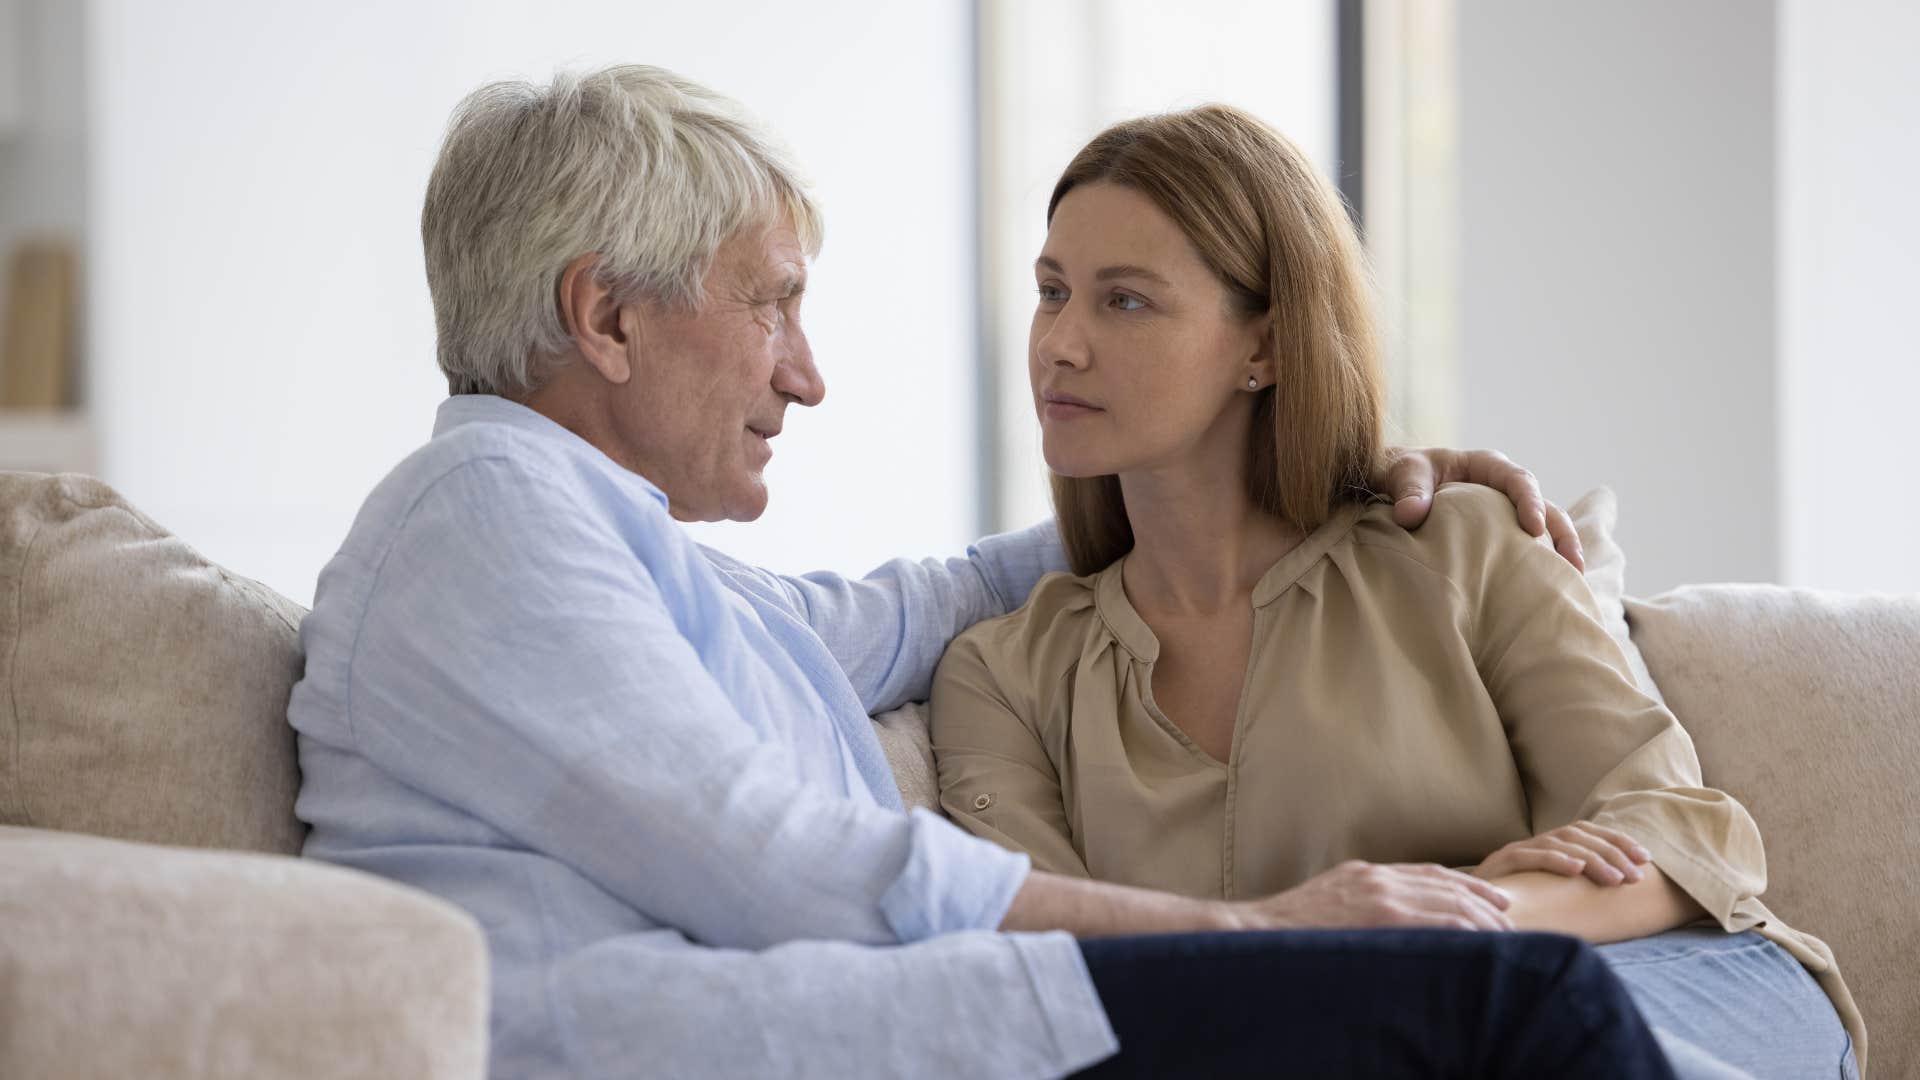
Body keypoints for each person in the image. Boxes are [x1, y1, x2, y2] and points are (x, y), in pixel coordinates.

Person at [290, 65, 1674, 1078]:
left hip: (891, 1036)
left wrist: (1305, 475)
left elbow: (934, 597)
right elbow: (777, 866)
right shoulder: (481, 517)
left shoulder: (624, 559)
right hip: (762, 1049)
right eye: (773, 305)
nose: (806, 377)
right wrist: (1255, 927)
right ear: (605, 316)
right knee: (1512, 1006)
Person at [928, 104, 1864, 1080]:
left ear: (1265, 348)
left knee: (1489, 1016)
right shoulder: (1004, 676)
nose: (1059, 343)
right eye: (1051, 291)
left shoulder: (1461, 547)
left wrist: (1447, 933)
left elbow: (1684, 837)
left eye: (1124, 301)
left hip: (1680, 982)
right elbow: (1050, 972)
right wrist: (1341, 944)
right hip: (1367, 1047)